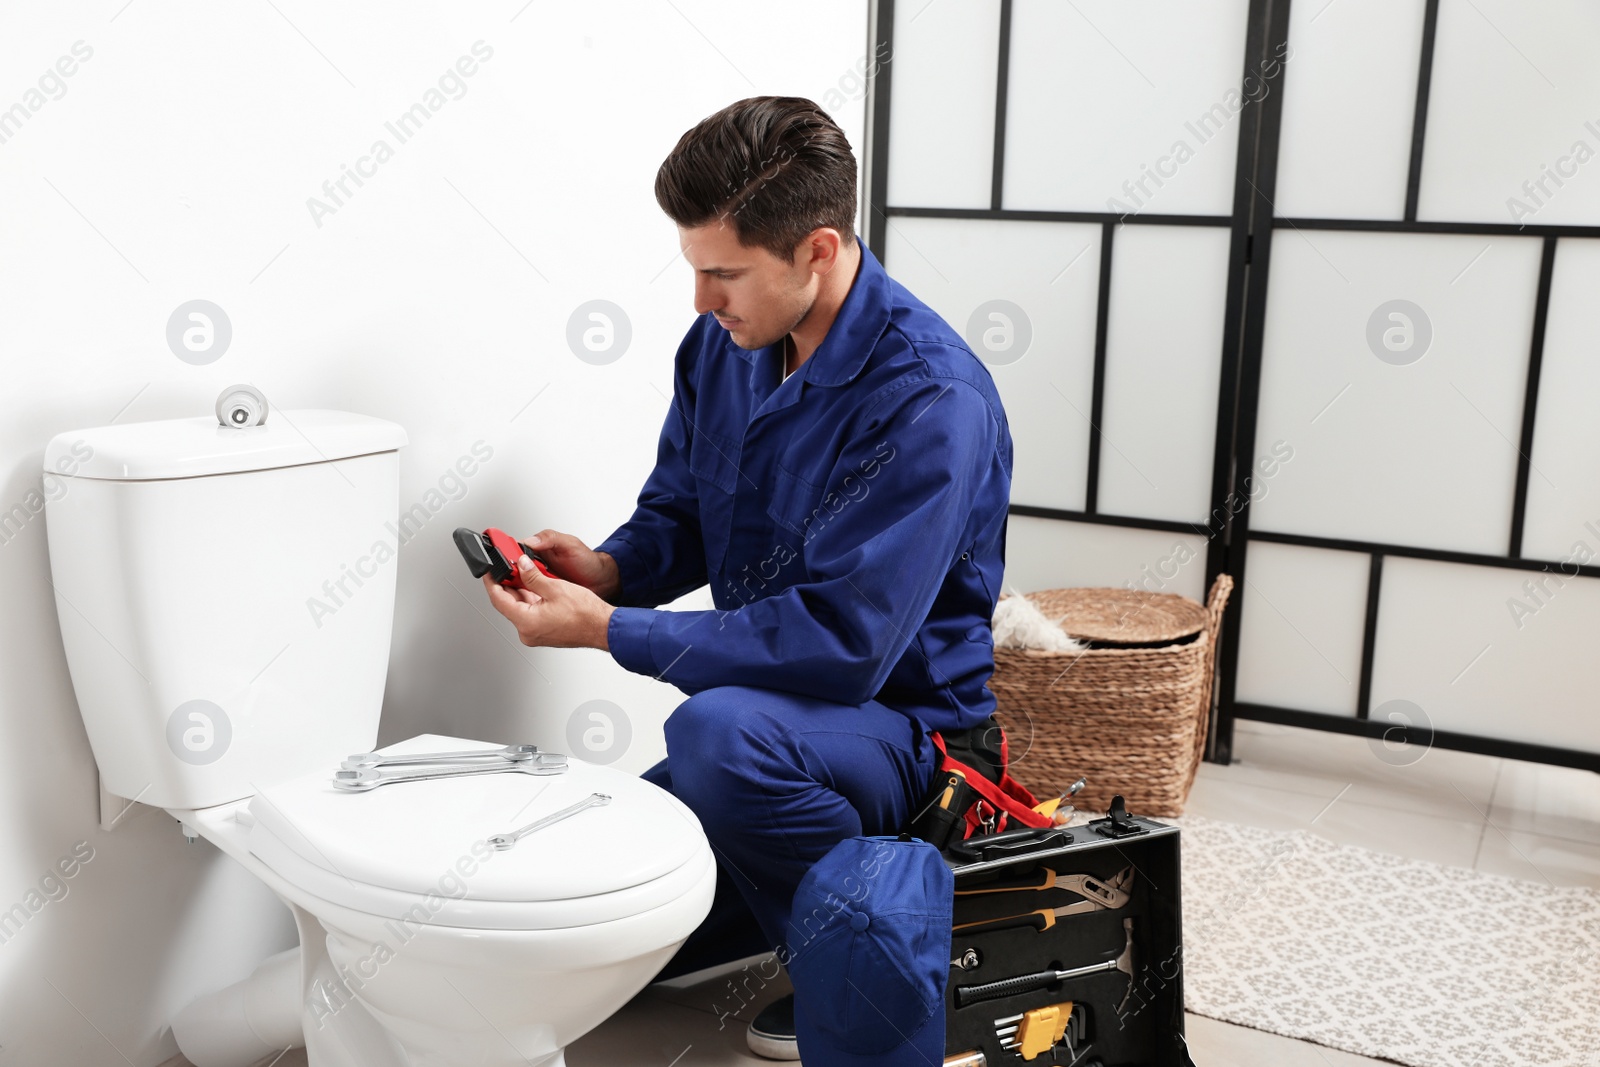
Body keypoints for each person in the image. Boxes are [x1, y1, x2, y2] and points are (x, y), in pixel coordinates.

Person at [481, 94, 1013, 1062]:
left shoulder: (930, 398)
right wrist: (607, 568)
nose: (699, 301)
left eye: (721, 273)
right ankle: (803, 921)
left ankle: (859, 950)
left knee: (714, 734)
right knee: (604, 872)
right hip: (780, 726)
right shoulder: (724, 349)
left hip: (909, 737)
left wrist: (605, 627)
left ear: (815, 249)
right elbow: (681, 511)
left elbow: (842, 645)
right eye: (692, 270)